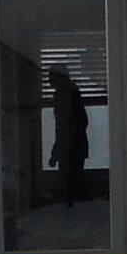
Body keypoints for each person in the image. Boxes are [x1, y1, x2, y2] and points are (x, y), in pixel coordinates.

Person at [46, 64, 91, 197]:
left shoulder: (65, 94)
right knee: (74, 180)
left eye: (51, 76)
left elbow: (64, 127)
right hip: (75, 145)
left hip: (72, 146)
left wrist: (56, 153)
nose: (49, 80)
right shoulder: (70, 92)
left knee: (70, 183)